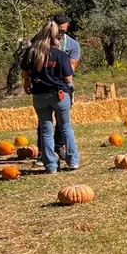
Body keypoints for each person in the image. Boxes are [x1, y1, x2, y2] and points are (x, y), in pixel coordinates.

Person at [22, 20, 79, 173]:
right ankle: (72, 161)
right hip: (59, 95)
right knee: (65, 127)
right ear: (56, 37)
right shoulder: (60, 55)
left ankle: (51, 165)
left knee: (45, 130)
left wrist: (27, 83)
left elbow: (25, 72)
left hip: (39, 95)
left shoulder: (32, 53)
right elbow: (68, 78)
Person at [51, 12, 80, 163]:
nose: (61, 34)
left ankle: (59, 147)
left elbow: (71, 69)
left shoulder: (72, 45)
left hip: (63, 86)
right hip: (45, 86)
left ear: (67, 26)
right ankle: (43, 151)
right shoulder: (40, 43)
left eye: (63, 30)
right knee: (44, 123)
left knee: (63, 121)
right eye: (59, 30)